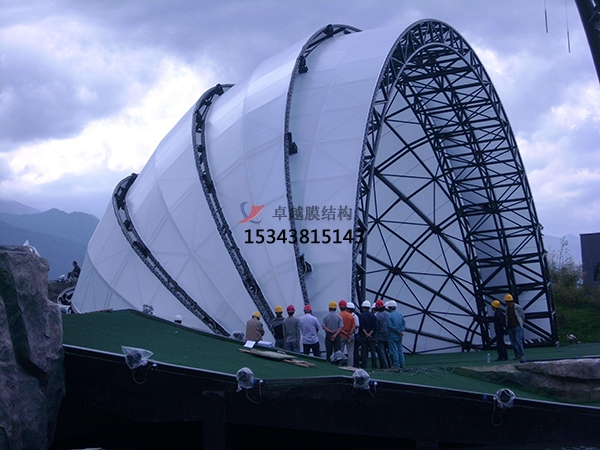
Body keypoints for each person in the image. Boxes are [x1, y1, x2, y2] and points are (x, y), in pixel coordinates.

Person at [504, 294, 525, 363]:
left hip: (517, 326)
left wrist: (521, 322)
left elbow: (522, 315)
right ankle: (517, 355)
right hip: (510, 327)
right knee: (513, 342)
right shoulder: (506, 308)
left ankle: (521, 355)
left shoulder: (517, 307)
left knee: (518, 341)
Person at [358, 300, 378, 369]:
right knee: (373, 351)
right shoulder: (373, 316)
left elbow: (361, 326)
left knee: (364, 351)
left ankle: (364, 365)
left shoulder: (361, 316)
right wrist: (370, 334)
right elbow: (375, 326)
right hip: (372, 336)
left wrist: (366, 334)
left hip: (363, 336)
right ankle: (374, 365)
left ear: (363, 307)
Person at [386, 300, 406, 369]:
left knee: (394, 350)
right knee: (400, 349)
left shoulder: (389, 316)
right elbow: (404, 324)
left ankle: (396, 365)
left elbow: (390, 326)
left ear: (390, 308)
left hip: (392, 335)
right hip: (400, 336)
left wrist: (397, 331)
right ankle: (402, 364)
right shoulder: (400, 315)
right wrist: (400, 331)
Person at [338, 300, 356, 367]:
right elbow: (354, 326)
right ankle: (350, 365)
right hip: (350, 336)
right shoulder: (351, 316)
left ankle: (339, 364)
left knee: (340, 351)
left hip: (342, 336)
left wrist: (345, 333)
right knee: (350, 352)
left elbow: (339, 327)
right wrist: (350, 334)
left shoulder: (339, 316)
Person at [374, 299, 390, 369]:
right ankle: (390, 364)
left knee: (381, 351)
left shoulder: (377, 316)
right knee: (388, 350)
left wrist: (376, 336)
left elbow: (376, 327)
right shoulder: (388, 314)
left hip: (380, 335)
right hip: (388, 334)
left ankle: (385, 365)